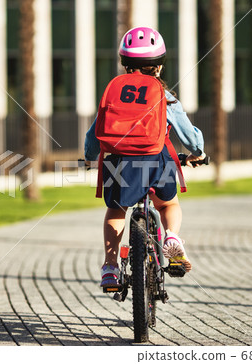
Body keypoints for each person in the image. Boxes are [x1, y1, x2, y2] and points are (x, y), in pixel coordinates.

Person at [84, 27, 207, 289]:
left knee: (116, 209)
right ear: (159, 67)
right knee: (167, 205)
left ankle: (110, 266)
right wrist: (198, 153)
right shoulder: (165, 96)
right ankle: (171, 238)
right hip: (155, 160)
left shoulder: (115, 94)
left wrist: (88, 157)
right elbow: (189, 137)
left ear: (125, 64)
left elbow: (95, 135)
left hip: (117, 163)